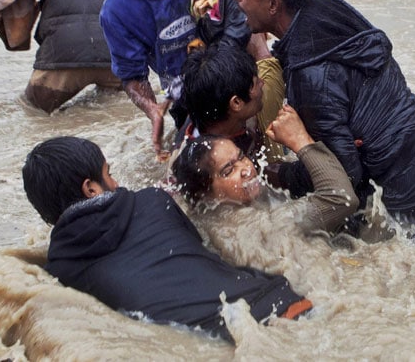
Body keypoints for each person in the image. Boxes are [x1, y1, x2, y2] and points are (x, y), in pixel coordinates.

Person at [21, 136, 312, 342]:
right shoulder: (152, 201)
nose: (117, 184)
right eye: (109, 175)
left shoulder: (62, 270)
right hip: (283, 303)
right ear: (91, 189)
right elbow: (203, 252)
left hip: (225, 339)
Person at [233, 0, 415, 218]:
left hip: (399, 189)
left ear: (273, 4)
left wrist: (283, 174)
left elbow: (345, 174)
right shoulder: (329, 15)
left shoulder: (309, 73)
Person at [95, 0, 205, 155]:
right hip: (185, 95)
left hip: (235, 69)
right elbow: (133, 77)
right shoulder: (116, 12)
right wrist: (152, 110)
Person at [173, 104, 356, 235]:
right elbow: (342, 199)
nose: (246, 169)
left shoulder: (218, 218)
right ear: (206, 197)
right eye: (228, 170)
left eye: (241, 157)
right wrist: (301, 140)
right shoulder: (260, 228)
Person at [179, 43, 284, 164]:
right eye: (256, 83)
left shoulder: (208, 112)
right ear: (236, 103)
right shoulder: (210, 163)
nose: (262, 83)